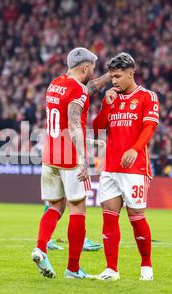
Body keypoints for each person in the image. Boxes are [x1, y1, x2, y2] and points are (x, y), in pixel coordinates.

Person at [31, 47, 110, 279]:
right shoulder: (77, 90)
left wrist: (108, 76)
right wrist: (83, 160)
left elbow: (86, 89)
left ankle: (40, 247)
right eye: (93, 68)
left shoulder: (55, 83)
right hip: (70, 157)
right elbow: (75, 124)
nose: (93, 71)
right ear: (85, 67)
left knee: (55, 206)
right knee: (78, 208)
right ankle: (73, 269)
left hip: (49, 156)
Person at [92, 53, 159, 281]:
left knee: (136, 218)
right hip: (111, 167)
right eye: (111, 76)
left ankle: (146, 267)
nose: (114, 81)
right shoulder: (111, 98)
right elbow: (98, 127)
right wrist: (106, 106)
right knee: (109, 217)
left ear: (131, 73)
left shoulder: (147, 97)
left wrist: (135, 149)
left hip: (135, 169)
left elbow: (149, 128)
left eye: (118, 76)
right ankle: (111, 269)